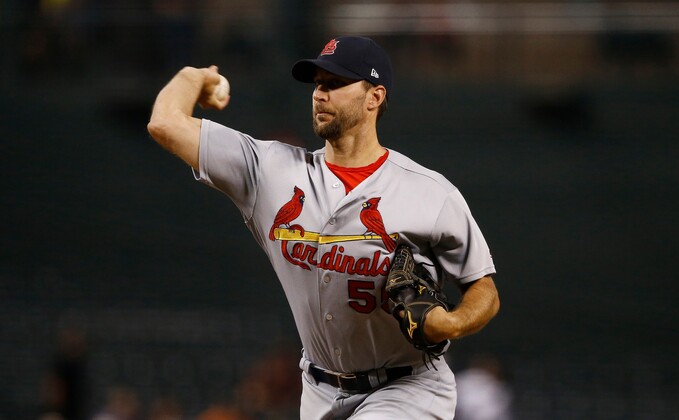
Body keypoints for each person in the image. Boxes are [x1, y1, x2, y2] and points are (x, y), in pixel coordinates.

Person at [147, 36, 500, 419]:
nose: (320, 94)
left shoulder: (430, 193)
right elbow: (165, 124)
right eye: (317, 84)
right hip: (318, 390)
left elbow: (484, 290)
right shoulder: (271, 171)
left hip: (408, 387)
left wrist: (450, 323)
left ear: (374, 97)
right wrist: (193, 76)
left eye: (335, 84)